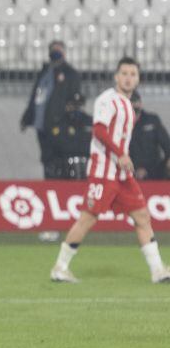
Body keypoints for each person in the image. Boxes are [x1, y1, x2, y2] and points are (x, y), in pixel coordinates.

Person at [51, 57, 170, 283]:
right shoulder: (108, 100)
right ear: (116, 76)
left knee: (142, 216)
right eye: (124, 73)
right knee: (88, 217)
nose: (128, 78)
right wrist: (121, 154)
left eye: (132, 74)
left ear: (138, 79)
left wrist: (123, 158)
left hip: (121, 174)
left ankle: (157, 271)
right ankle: (60, 267)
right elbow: (99, 131)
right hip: (103, 171)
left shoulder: (127, 102)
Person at [21, 41, 82, 179]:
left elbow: (75, 97)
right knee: (46, 157)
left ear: (64, 52)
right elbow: (35, 96)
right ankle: (49, 182)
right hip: (41, 122)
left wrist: (69, 111)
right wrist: (27, 116)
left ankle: (60, 185)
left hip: (59, 123)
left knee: (60, 156)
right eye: (53, 49)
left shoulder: (71, 74)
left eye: (58, 49)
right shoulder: (44, 72)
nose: (56, 52)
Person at [129, 91, 170, 180]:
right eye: (130, 102)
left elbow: (166, 143)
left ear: (140, 103)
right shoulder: (120, 124)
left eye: (135, 101)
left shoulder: (152, 120)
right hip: (130, 171)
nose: (133, 105)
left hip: (154, 170)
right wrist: (135, 169)